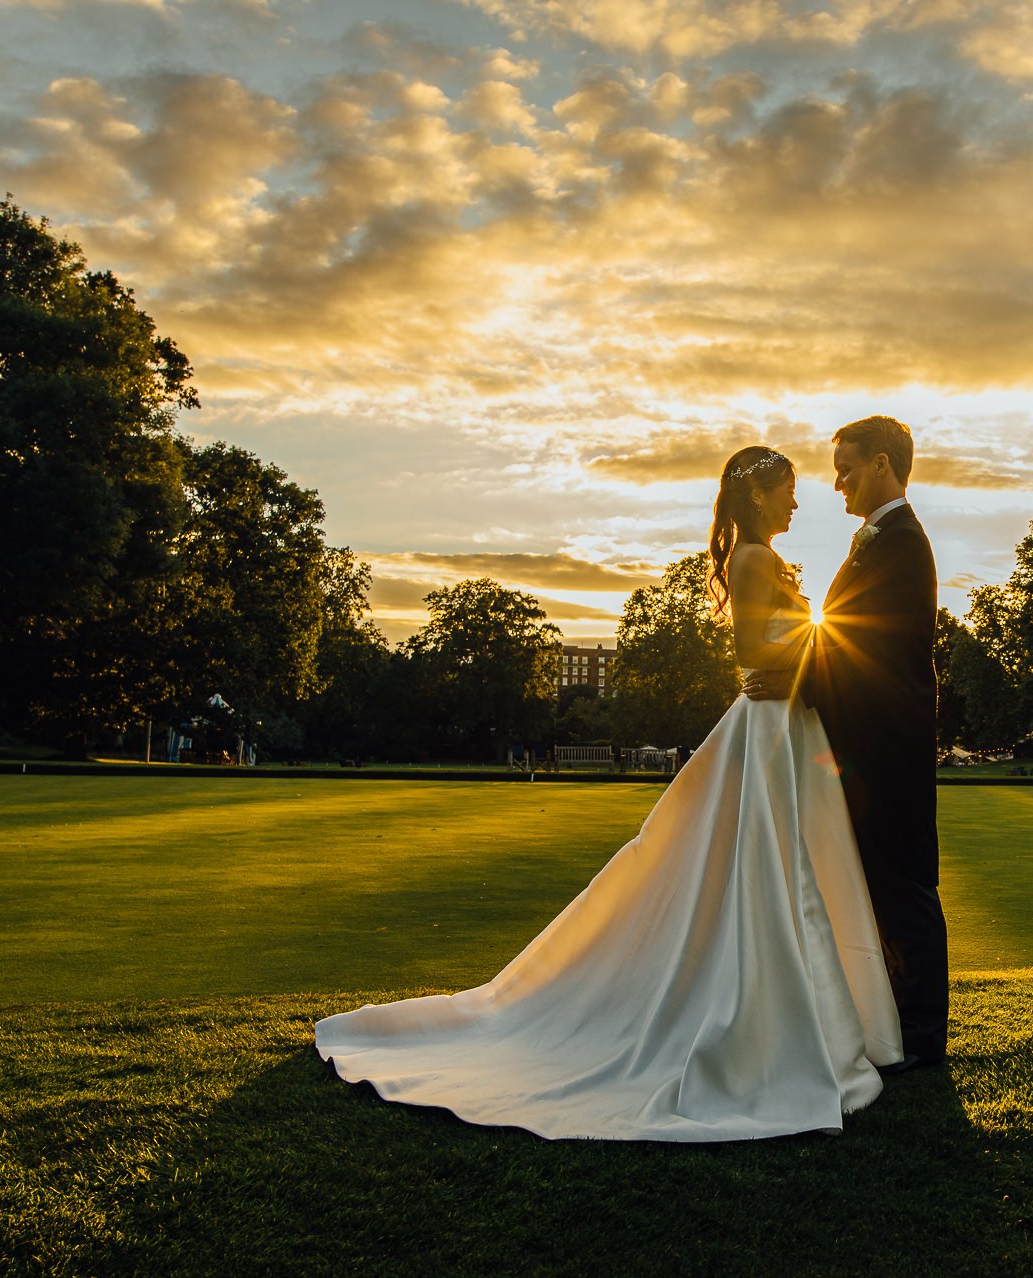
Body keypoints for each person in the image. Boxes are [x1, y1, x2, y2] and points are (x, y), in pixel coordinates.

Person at [314, 446, 902, 1141]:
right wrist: (820, 655)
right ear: (758, 496)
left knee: (785, 869)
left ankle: (802, 1017)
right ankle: (779, 1027)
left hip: (786, 723)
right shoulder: (753, 560)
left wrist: (810, 658)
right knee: (774, 873)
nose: (797, 503)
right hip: (772, 724)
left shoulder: (758, 557)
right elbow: (752, 653)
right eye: (788, 491)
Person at [746, 415, 947, 1071]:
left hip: (888, 748)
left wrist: (791, 680)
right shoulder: (879, 542)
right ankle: (889, 1020)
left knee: (904, 884)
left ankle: (920, 1036)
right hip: (866, 745)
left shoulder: (903, 545)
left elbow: (860, 642)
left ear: (884, 464)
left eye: (847, 469)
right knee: (879, 885)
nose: (837, 484)